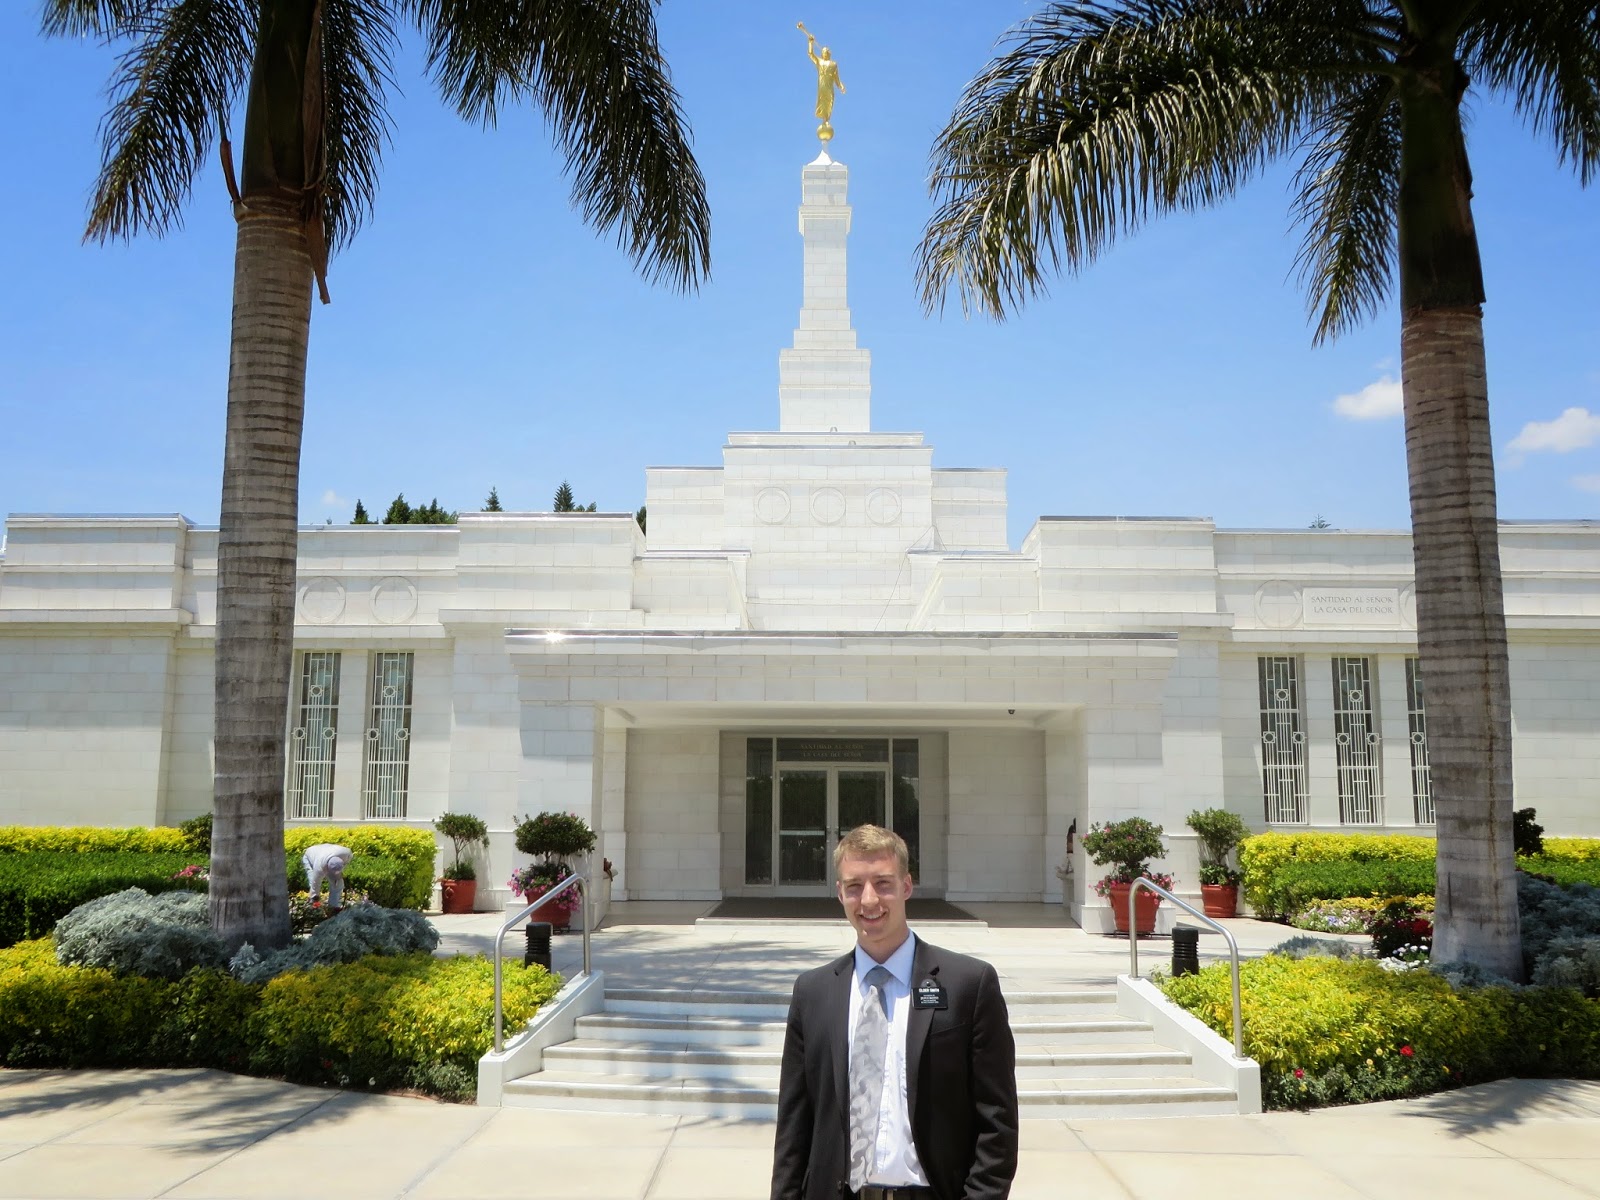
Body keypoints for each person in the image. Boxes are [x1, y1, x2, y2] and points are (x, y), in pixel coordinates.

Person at [771, 825, 1018, 1200]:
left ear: (906, 886)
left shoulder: (969, 984)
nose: (869, 900)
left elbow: (997, 1121)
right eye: (854, 886)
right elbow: (793, 1126)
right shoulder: (813, 992)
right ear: (840, 893)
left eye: (883, 883)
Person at [798, 23, 846, 124]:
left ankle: (827, 118)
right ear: (822, 53)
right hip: (822, 85)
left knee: (830, 100)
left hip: (829, 86)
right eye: (823, 51)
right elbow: (811, 54)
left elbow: (836, 78)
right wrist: (810, 43)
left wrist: (840, 86)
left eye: (826, 51)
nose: (824, 52)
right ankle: (824, 118)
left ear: (829, 53)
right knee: (822, 100)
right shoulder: (819, 62)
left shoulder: (833, 64)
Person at [301, 842, 353, 908]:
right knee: (312, 882)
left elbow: (347, 861)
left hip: (326, 853)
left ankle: (333, 907)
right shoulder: (319, 867)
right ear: (327, 868)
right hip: (309, 856)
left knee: (338, 883)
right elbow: (315, 884)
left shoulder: (346, 853)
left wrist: (338, 875)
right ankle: (313, 906)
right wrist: (315, 899)